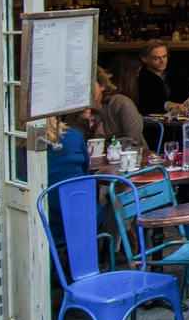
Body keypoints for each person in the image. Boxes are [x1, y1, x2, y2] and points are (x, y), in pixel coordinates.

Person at [45, 116, 103, 245]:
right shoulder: (74, 136)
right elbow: (85, 173)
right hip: (83, 219)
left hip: (46, 222)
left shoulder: (19, 147)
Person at [66, 67, 146, 149]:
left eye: (90, 86)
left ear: (102, 86)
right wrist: (84, 117)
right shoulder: (74, 111)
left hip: (128, 158)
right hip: (91, 160)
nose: (85, 92)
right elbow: (72, 145)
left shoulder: (121, 104)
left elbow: (132, 142)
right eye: (79, 88)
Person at [137, 39, 188, 116]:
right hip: (153, 124)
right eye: (156, 58)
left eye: (164, 56)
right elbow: (147, 104)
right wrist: (168, 105)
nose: (162, 61)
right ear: (145, 58)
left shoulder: (173, 75)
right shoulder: (141, 78)